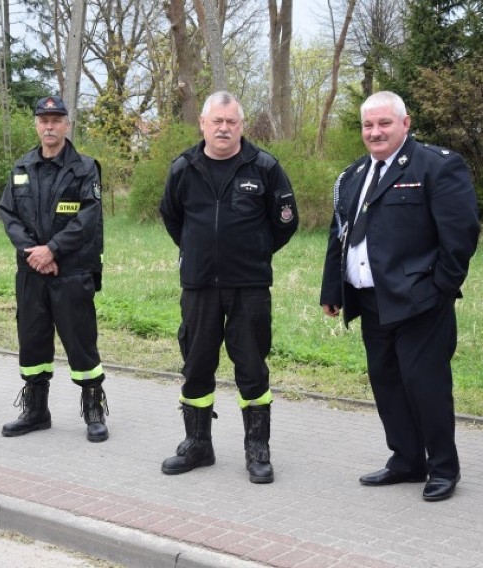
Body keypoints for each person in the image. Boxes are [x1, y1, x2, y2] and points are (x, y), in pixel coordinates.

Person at [320, 91, 479, 501]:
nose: (375, 132)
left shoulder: (437, 166)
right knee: (387, 384)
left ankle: (443, 467)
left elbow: (460, 235)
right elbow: (339, 235)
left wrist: (439, 288)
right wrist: (332, 289)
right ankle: (408, 460)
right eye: (368, 125)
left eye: (384, 123)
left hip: (420, 303)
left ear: (405, 124)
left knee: (425, 385)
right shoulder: (353, 175)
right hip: (371, 301)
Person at [159, 91, 299, 483]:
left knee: (252, 368)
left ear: (241, 126)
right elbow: (172, 219)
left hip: (249, 288)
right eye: (216, 121)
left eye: (231, 122)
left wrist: (254, 252)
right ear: (202, 124)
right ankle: (198, 445)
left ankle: (257, 450)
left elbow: (285, 221)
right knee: (197, 364)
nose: (223, 128)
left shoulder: (265, 167)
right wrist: (196, 251)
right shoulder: (183, 168)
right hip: (199, 287)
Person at [0, 95, 109, 443]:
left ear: (66, 125)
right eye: (44, 119)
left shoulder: (85, 168)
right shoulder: (21, 168)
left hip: (72, 270)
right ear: (36, 124)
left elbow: (88, 217)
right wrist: (34, 252)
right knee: (32, 342)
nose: (50, 125)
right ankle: (35, 411)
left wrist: (53, 250)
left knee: (81, 343)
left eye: (56, 119)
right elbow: (8, 214)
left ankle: (93, 410)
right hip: (31, 272)